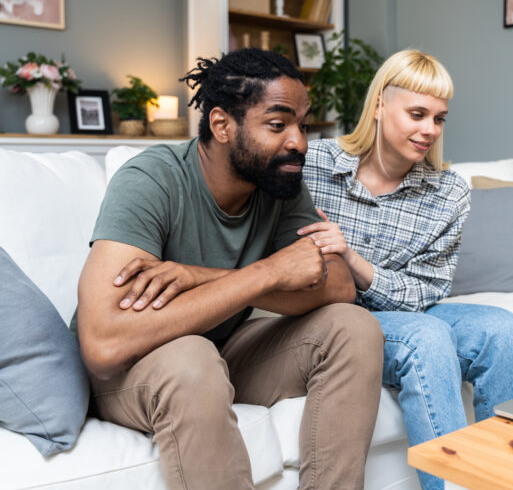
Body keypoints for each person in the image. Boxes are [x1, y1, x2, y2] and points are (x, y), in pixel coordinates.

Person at [74, 48, 384, 490]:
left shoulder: (278, 183)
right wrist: (267, 273)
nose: (298, 141)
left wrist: (203, 276)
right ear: (222, 125)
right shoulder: (151, 180)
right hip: (130, 372)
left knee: (353, 326)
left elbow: (337, 287)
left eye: (303, 124)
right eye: (277, 124)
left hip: (223, 351)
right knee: (191, 357)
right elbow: (103, 345)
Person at [300, 49, 513, 490]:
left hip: (411, 309)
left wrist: (352, 259)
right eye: (417, 113)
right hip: (337, 319)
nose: (429, 130)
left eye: (439, 118)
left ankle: (510, 482)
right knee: (424, 338)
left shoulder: (449, 192)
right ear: (378, 106)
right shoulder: (313, 165)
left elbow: (425, 291)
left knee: (506, 331)